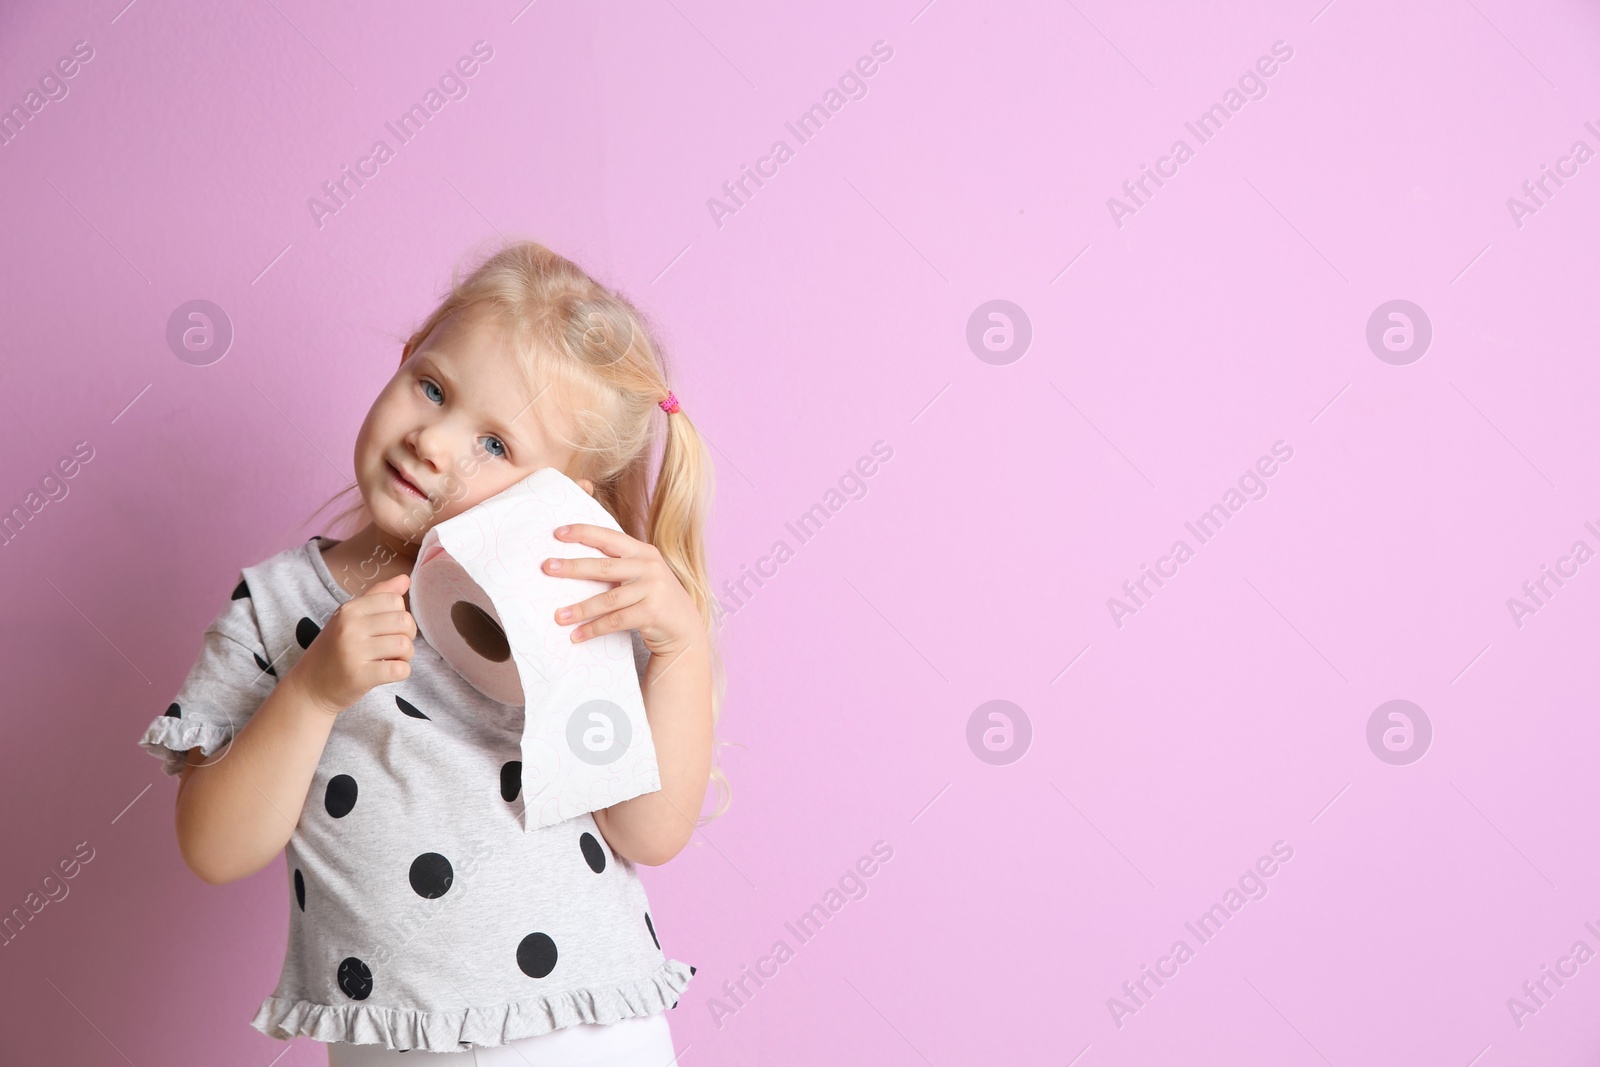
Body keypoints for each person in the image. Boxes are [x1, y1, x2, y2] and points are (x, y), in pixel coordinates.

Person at [137, 239, 727, 1063]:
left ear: (556, 495)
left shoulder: (565, 606)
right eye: (434, 388)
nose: (435, 442)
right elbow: (213, 845)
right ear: (407, 356)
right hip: (400, 1040)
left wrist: (681, 647)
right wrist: (310, 693)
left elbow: (648, 831)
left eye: (496, 445)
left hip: (587, 1033)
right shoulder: (278, 608)